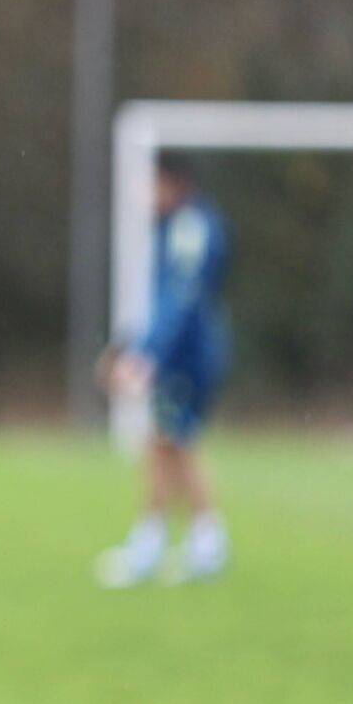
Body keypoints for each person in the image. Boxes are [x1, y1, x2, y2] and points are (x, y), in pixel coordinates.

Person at [97, 151, 232, 587]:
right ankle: (196, 543)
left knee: (170, 443)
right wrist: (130, 346)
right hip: (176, 353)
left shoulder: (190, 227)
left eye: (152, 184)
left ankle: (167, 545)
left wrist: (146, 356)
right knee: (168, 444)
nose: (146, 194)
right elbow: (161, 302)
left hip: (187, 357)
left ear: (174, 183)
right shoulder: (177, 227)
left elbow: (181, 297)